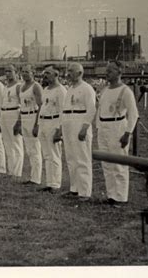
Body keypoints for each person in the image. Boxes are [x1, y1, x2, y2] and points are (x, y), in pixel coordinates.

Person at [97, 60, 139, 207]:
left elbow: (133, 114)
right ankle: (111, 195)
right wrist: (99, 128)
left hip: (117, 126)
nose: (107, 73)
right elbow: (100, 109)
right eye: (106, 70)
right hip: (103, 127)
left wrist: (127, 133)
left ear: (119, 72)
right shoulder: (105, 90)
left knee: (119, 163)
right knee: (106, 163)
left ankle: (120, 197)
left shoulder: (126, 91)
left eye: (110, 71)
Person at [54, 62, 96, 201]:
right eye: (68, 71)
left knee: (82, 157)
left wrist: (84, 128)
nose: (68, 73)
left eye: (71, 71)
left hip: (79, 121)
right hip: (68, 121)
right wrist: (61, 127)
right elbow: (64, 109)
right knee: (71, 157)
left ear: (80, 73)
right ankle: (74, 188)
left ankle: (84, 192)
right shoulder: (70, 89)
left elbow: (91, 110)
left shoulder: (87, 88)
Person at [37, 67, 66, 193]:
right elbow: (43, 107)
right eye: (44, 73)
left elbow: (62, 111)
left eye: (48, 73)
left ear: (56, 74)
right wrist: (38, 124)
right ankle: (49, 182)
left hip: (54, 122)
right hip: (44, 121)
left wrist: (59, 130)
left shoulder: (61, 90)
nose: (45, 75)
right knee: (47, 154)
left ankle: (55, 184)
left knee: (54, 154)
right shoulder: (46, 89)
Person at [0, 64, 24, 178]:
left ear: (16, 72)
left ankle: (17, 172)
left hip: (14, 113)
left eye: (10, 71)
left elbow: (22, 105)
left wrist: (19, 121)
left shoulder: (19, 86)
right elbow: (1, 105)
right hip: (5, 114)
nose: (7, 73)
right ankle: (11, 171)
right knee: (7, 144)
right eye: (6, 71)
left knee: (16, 143)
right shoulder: (6, 87)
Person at [17, 64, 43, 185]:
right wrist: (20, 121)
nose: (25, 74)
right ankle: (32, 176)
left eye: (27, 71)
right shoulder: (21, 86)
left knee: (35, 148)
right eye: (23, 71)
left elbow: (41, 106)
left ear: (33, 72)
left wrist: (37, 124)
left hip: (33, 116)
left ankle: (36, 178)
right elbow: (21, 105)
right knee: (29, 149)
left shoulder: (36, 86)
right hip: (24, 116)